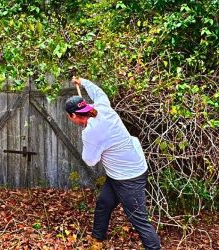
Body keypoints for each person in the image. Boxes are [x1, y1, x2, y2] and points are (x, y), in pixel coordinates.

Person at [65, 77, 161, 250]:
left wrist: (91, 140)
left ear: (73, 116)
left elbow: (90, 160)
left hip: (129, 176)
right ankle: (97, 241)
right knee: (104, 203)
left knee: (138, 219)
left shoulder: (91, 132)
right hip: (120, 172)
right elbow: (98, 92)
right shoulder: (102, 107)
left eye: (69, 117)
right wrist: (82, 81)